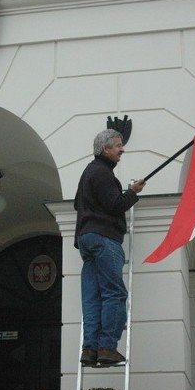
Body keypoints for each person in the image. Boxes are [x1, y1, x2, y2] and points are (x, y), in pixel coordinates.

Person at [74, 129, 146, 366]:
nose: (121, 149)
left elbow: (78, 203)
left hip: (86, 239)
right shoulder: (103, 173)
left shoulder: (88, 173)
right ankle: (107, 347)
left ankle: (90, 349)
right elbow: (115, 205)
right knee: (114, 294)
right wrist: (132, 193)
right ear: (105, 149)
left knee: (93, 298)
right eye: (118, 146)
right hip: (105, 239)